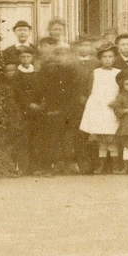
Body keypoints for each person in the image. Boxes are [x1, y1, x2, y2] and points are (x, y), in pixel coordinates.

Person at [35, 43, 79, 174]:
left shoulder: (73, 70)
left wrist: (71, 107)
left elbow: (75, 90)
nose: (61, 57)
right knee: (52, 137)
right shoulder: (47, 69)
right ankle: (52, 165)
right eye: (58, 54)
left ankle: (68, 164)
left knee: (68, 138)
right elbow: (42, 89)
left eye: (64, 54)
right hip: (53, 108)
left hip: (69, 109)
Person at [79, 44, 121, 173]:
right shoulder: (95, 72)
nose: (107, 60)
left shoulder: (118, 72)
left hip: (112, 107)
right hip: (98, 107)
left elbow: (122, 90)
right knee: (101, 137)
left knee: (111, 135)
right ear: (100, 59)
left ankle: (115, 165)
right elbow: (89, 89)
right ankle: (101, 165)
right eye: (104, 57)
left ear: (114, 58)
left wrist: (117, 101)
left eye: (110, 57)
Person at [12, 49, 42, 174]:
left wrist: (40, 103)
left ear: (32, 58)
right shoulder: (17, 75)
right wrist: (28, 104)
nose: (25, 59)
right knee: (24, 138)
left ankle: (35, 167)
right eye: (23, 57)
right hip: (23, 109)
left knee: (36, 138)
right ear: (19, 58)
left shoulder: (36, 72)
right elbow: (17, 91)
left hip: (37, 108)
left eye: (28, 56)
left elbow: (40, 88)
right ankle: (23, 167)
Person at [71, 40, 96, 173]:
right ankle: (82, 164)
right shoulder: (71, 64)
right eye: (82, 47)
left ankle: (94, 164)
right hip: (76, 104)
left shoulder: (96, 63)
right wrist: (78, 97)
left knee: (94, 133)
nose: (84, 49)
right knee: (79, 134)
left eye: (87, 46)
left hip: (94, 102)